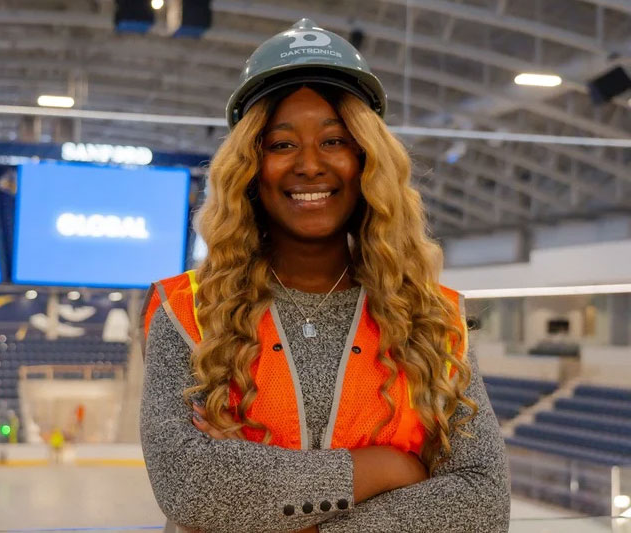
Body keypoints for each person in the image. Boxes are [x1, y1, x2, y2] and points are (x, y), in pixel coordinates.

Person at [140, 18, 510, 533]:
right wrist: (388, 468)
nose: (310, 165)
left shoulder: (432, 318)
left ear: (367, 161)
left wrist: (270, 501)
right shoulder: (187, 311)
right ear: (250, 165)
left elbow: (481, 501)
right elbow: (191, 485)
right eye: (282, 144)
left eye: (334, 141)